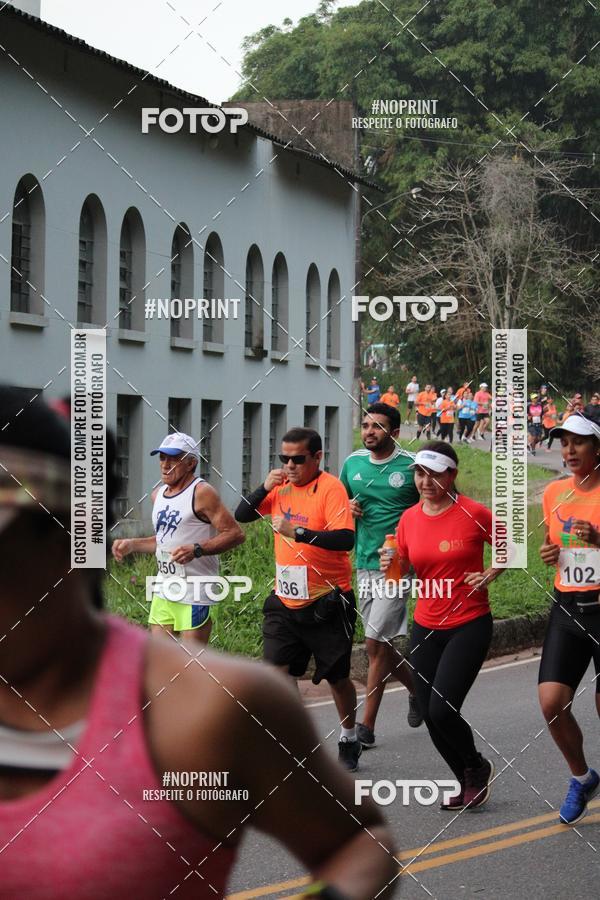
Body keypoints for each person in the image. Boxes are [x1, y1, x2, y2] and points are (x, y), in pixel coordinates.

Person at [0, 387, 397, 900]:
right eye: (283, 459)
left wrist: (211, 546)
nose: (163, 465)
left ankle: (349, 733)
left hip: (292, 594)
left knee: (329, 674)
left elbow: (360, 842)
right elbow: (248, 513)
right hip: (211, 593)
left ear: (71, 538)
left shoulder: (209, 709)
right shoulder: (167, 496)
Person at [380, 442, 503, 810]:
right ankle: (466, 775)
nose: (426, 481)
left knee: (441, 709)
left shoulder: (474, 512)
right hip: (426, 625)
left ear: (452, 475)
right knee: (431, 711)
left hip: (469, 623)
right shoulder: (409, 519)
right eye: (420, 473)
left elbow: (508, 546)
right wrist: (391, 561)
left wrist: (489, 574)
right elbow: (398, 574)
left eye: (435, 474)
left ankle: (476, 767)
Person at [234, 428, 362, 772]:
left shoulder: (331, 488)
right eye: (284, 459)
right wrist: (264, 485)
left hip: (327, 601)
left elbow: (345, 539)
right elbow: (241, 515)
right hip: (285, 600)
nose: (290, 465)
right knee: (276, 672)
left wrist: (299, 532)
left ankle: (349, 735)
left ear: (317, 458)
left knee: (337, 678)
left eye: (298, 459)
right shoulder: (280, 488)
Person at [340, 403, 422, 748]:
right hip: (364, 562)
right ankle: (418, 688)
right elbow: (340, 504)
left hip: (398, 565)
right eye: (366, 425)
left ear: (395, 432)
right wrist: (348, 509)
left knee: (373, 643)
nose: (370, 431)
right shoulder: (352, 463)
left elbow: (435, 506)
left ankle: (367, 727)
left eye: (378, 426)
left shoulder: (411, 466)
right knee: (382, 644)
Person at [112, 433, 244, 645]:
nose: (166, 465)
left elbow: (235, 534)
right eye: (162, 458)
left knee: (191, 665)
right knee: (162, 662)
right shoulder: (158, 494)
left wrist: (197, 549)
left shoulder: (202, 492)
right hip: (164, 588)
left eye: (173, 459)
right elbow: (165, 540)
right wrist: (132, 544)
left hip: (196, 591)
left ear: (191, 463)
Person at [538, 412, 600, 825]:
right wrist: (548, 554)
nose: (569, 450)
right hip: (568, 605)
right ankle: (582, 777)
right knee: (551, 702)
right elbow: (552, 545)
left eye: (578, 442)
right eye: (564, 442)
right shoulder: (554, 492)